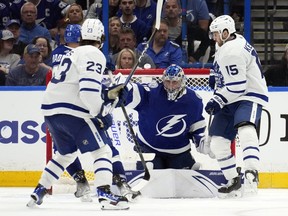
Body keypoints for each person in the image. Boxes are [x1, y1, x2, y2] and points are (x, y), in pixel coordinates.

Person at [26, 18, 129, 210]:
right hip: (72, 111)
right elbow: (88, 91)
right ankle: (105, 195)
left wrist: (107, 96)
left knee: (66, 153)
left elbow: (76, 85)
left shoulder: (71, 53)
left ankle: (39, 191)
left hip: (51, 110)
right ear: (102, 38)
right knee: (103, 150)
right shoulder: (94, 53)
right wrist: (101, 110)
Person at [205, 15, 268, 198]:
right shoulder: (231, 43)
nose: (214, 38)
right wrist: (215, 76)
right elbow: (227, 75)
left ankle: (251, 172)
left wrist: (217, 99)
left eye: (216, 34)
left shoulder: (232, 50)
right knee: (218, 142)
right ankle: (233, 179)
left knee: (245, 127)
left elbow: (238, 85)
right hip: (230, 98)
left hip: (248, 95)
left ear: (226, 32)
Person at [123, 64, 212, 170]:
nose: (170, 86)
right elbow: (132, 92)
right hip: (148, 149)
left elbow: (196, 129)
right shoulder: (151, 93)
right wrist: (120, 88)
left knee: (190, 177)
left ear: (182, 81)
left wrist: (203, 144)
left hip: (178, 152)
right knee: (150, 174)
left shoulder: (193, 101)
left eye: (174, 82)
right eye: (167, 82)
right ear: (163, 80)